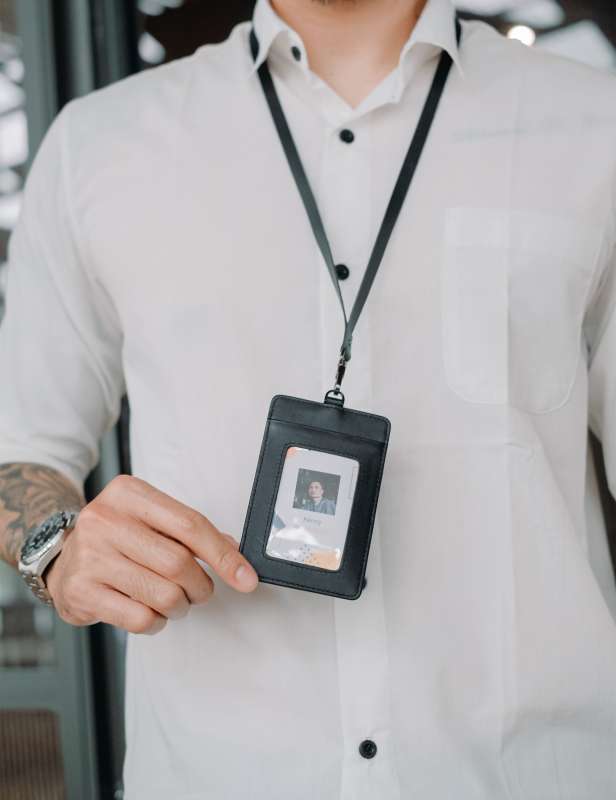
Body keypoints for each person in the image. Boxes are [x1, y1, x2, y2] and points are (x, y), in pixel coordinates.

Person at [0, 0, 615, 797]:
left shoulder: (594, 127)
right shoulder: (100, 145)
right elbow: (20, 448)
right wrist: (58, 549)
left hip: (537, 772)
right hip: (217, 773)